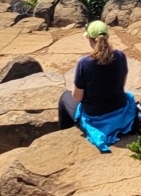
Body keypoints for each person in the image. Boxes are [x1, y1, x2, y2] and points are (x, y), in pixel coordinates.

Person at [57, 20, 136, 151]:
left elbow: (77, 97)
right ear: (108, 37)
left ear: (89, 39)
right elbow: (122, 84)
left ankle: (64, 137)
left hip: (96, 116)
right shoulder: (121, 56)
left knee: (64, 98)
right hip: (120, 109)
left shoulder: (85, 63)